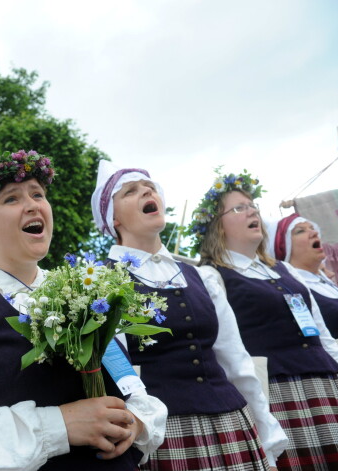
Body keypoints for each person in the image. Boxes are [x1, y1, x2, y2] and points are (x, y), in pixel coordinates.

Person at [0, 150, 167, 471]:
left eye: (38, 194)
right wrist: (60, 426)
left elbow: (128, 381)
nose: (33, 204)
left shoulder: (83, 292)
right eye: (12, 199)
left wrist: (137, 419)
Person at [91, 161, 288, 470]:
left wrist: (267, 431)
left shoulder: (201, 276)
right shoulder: (102, 281)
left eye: (150, 187)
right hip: (166, 434)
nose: (146, 190)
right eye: (130, 191)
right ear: (112, 218)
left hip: (233, 423)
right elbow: (119, 372)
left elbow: (236, 360)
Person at [189, 172, 338, 470]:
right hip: (278, 393)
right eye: (238, 208)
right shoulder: (212, 276)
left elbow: (324, 337)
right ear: (217, 227)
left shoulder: (288, 270)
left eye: (252, 205)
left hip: (327, 388)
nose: (252, 211)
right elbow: (228, 352)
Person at [268, 213, 338, 340]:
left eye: (312, 228)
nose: (314, 233)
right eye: (300, 231)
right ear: (285, 247)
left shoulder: (324, 282)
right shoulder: (292, 290)